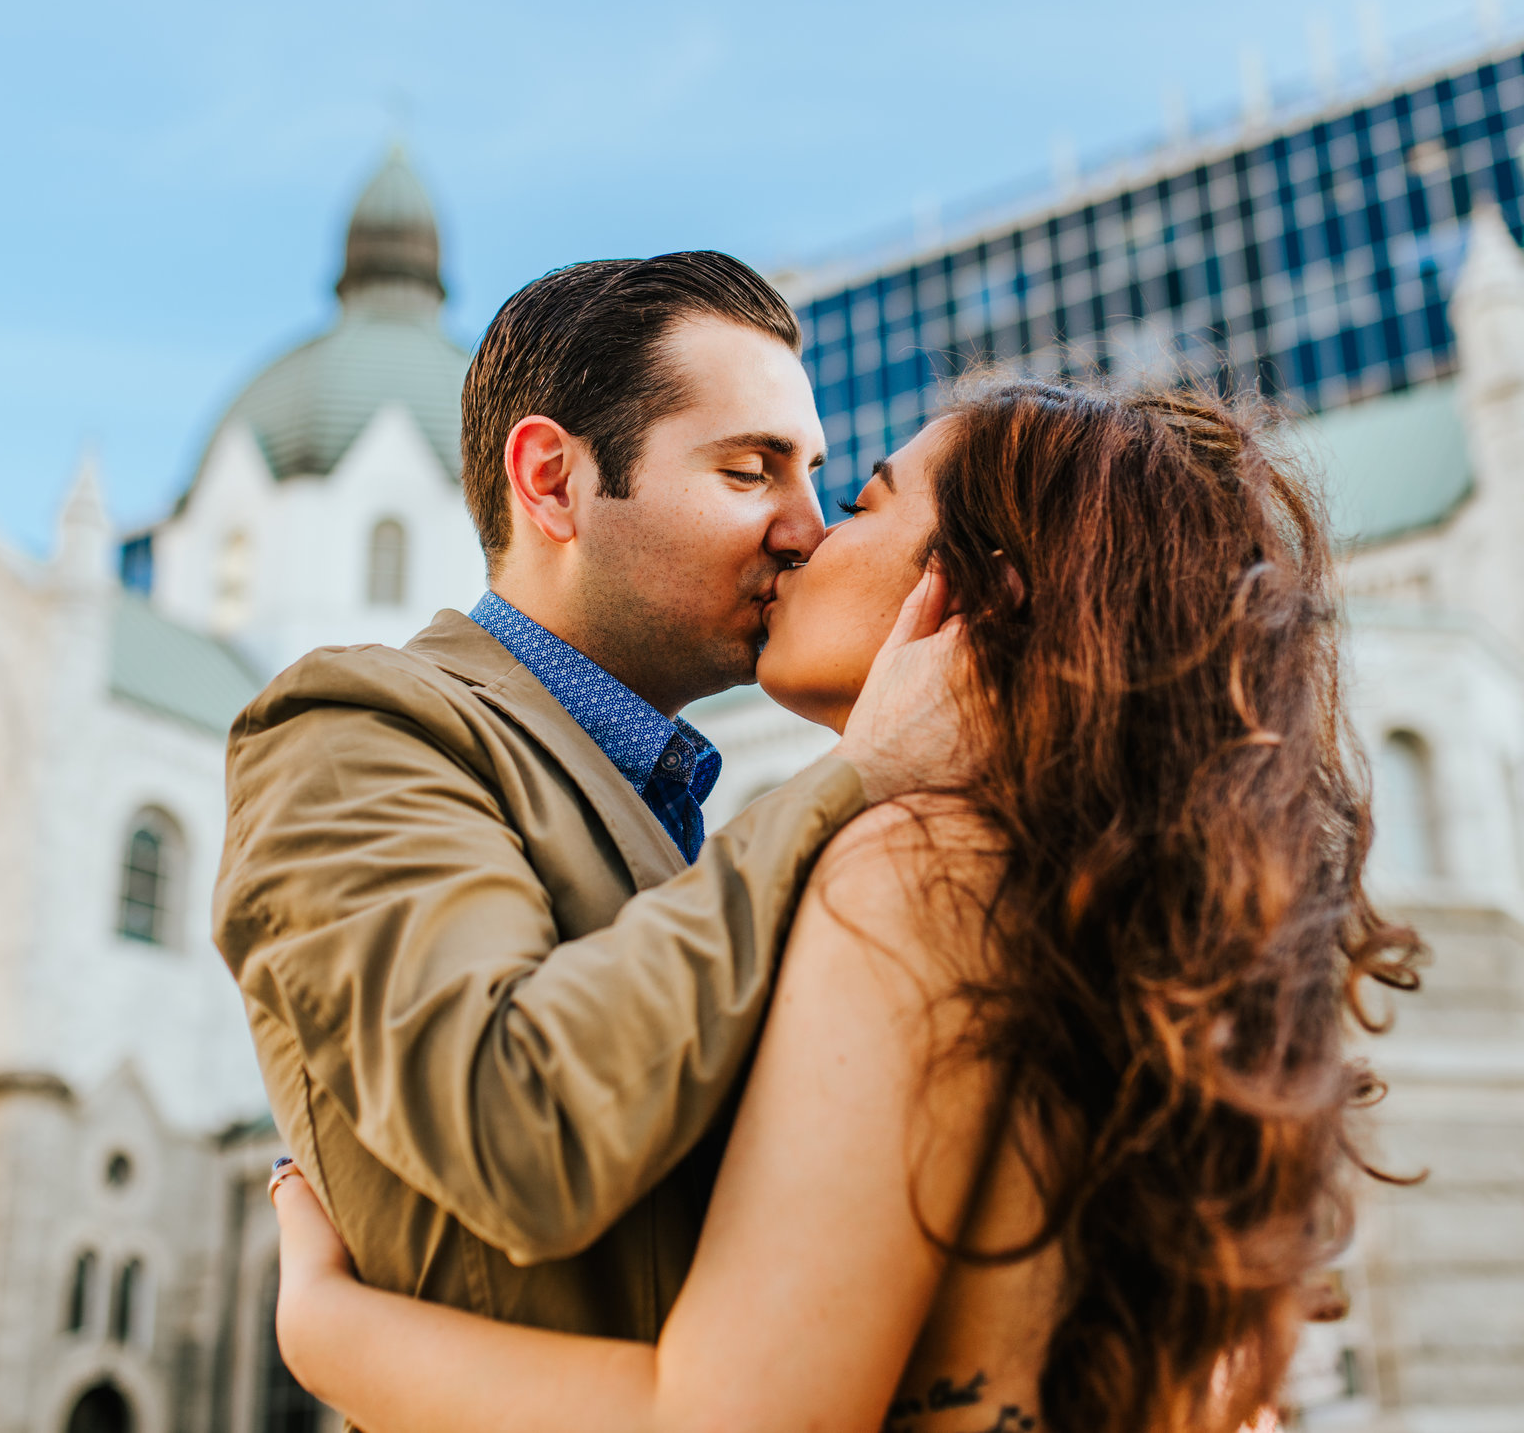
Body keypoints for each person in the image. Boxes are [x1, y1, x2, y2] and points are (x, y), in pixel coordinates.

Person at [268, 376, 1424, 1433]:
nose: (808, 535)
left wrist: (326, 1328)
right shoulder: (1081, 895)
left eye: (862, 505)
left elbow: (727, 1420)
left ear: (973, 592)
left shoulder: (916, 865)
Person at [214, 252, 970, 1343]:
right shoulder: (355, 725)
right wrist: (860, 774)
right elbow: (512, 1127)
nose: (806, 530)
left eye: (815, 477)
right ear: (553, 481)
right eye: (753, 471)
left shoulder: (672, 800)